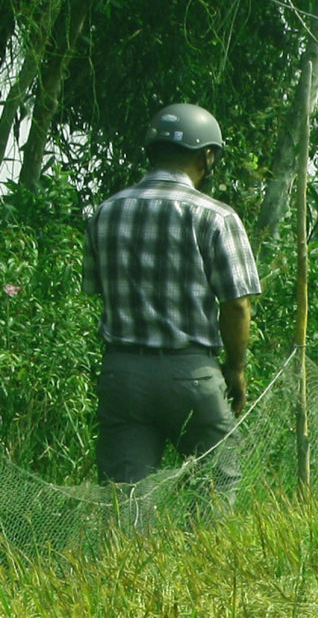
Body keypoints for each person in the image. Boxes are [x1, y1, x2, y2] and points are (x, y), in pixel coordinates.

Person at [83, 104, 260, 512]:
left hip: (122, 373)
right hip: (190, 374)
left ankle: (123, 570)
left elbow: (99, 290)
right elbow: (236, 305)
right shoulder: (215, 216)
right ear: (207, 156)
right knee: (216, 479)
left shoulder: (106, 212)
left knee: (124, 496)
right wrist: (235, 370)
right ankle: (204, 568)